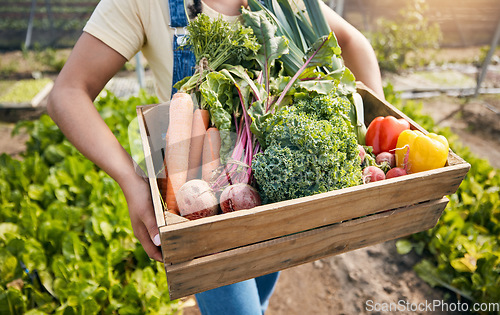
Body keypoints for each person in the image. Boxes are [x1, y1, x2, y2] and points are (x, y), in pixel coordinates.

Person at [47, 0, 384, 314]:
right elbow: (67, 93)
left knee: (260, 295)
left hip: (270, 190)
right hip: (199, 207)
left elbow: (353, 43)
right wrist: (130, 181)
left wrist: (370, 130)